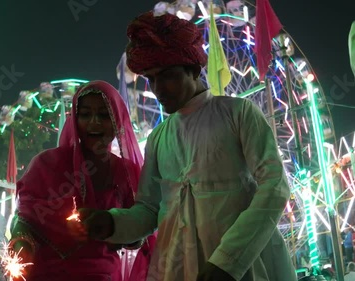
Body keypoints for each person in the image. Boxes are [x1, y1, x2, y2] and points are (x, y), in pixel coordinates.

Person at [75, 11, 297, 281]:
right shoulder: (159, 138)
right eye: (151, 79)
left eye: (167, 76)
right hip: (176, 268)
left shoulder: (239, 113)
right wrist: (112, 222)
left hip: (244, 267)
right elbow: (150, 209)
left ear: (193, 69)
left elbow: (274, 188)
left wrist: (228, 261)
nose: (158, 89)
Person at [9, 80, 154, 281]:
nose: (94, 122)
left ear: (118, 120)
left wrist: (109, 227)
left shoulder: (126, 172)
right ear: (74, 120)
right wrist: (21, 246)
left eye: (104, 115)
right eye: (85, 114)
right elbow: (22, 221)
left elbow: (139, 233)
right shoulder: (45, 164)